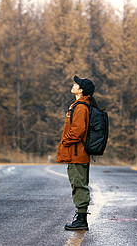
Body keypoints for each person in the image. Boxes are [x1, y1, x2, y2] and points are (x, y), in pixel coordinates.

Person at [56, 75, 96, 231]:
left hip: (77, 153)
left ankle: (81, 220)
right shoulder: (79, 105)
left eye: (76, 84)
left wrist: (65, 141)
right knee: (78, 183)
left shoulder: (80, 107)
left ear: (81, 90)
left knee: (79, 185)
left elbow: (78, 131)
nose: (73, 85)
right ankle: (81, 218)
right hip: (77, 153)